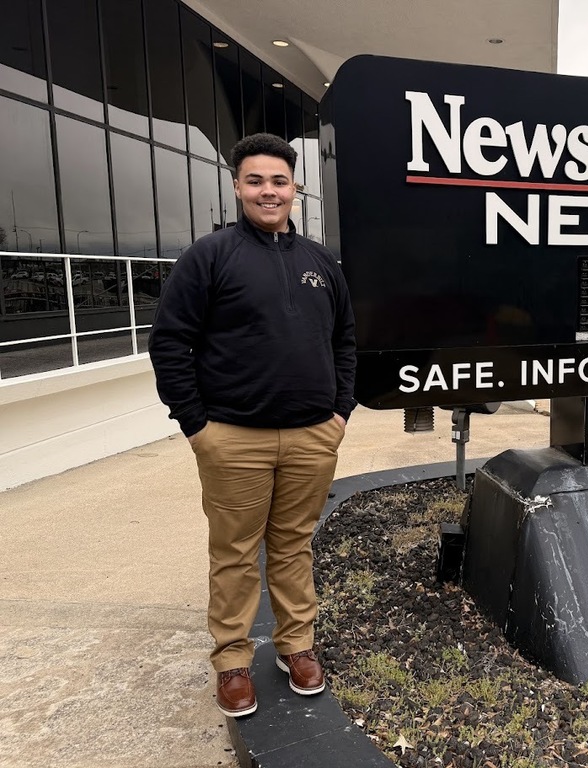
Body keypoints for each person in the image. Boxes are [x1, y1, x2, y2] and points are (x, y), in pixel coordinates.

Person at [148, 133, 356, 718]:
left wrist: (340, 412)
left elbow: (344, 341)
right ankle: (232, 661)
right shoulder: (209, 257)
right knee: (235, 553)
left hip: (313, 435)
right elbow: (170, 344)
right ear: (238, 187)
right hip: (233, 438)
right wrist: (197, 427)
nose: (269, 191)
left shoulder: (321, 264)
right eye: (256, 180)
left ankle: (296, 646)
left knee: (293, 546)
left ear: (295, 189)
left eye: (279, 181)